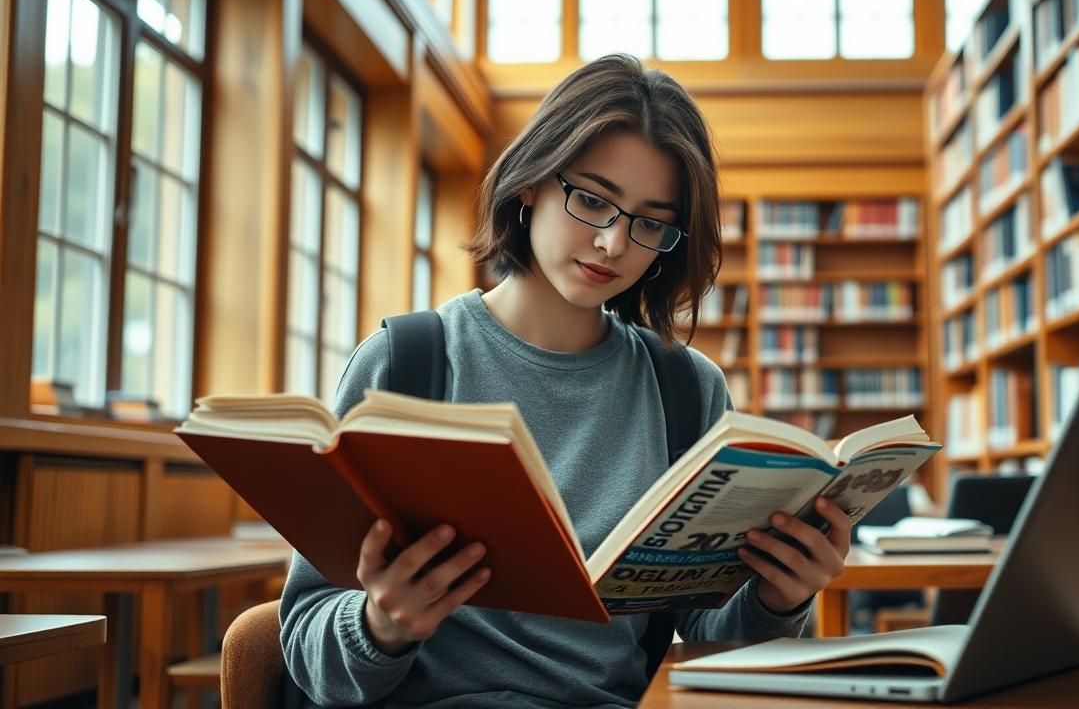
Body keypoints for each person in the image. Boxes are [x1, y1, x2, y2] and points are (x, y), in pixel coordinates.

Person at [278, 54, 853, 708]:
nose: (613, 243)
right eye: (591, 199)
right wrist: (382, 626)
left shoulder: (688, 392)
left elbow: (708, 645)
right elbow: (307, 653)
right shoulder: (406, 364)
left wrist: (780, 599)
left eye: (650, 222)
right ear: (531, 184)